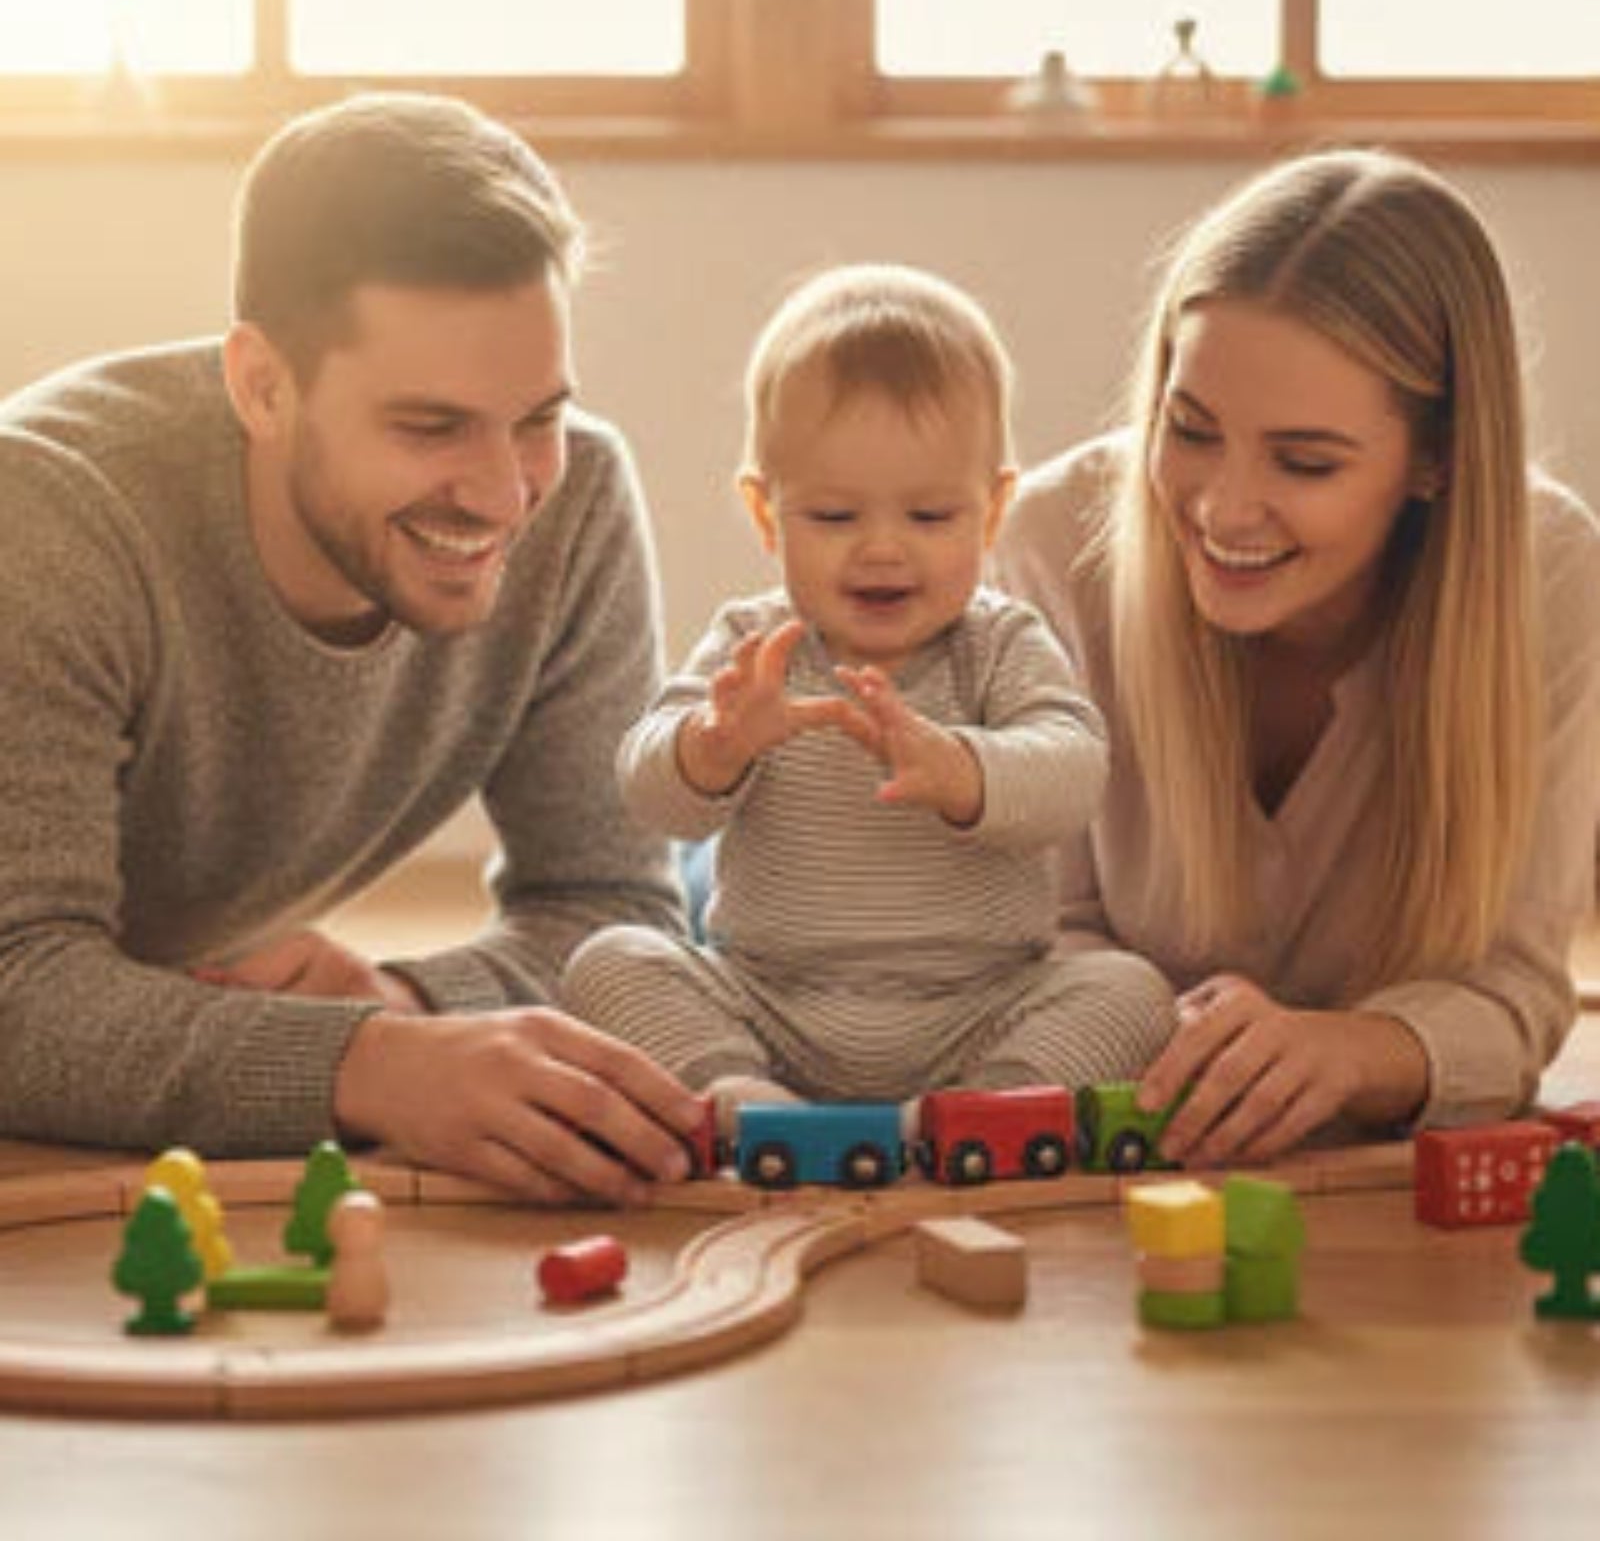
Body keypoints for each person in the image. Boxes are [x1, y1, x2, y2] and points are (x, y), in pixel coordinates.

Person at [0, 93, 709, 1202]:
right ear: (263, 386)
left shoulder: (577, 503)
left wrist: (409, 1007)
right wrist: (365, 1068)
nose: (502, 491)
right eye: (429, 427)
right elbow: (15, 989)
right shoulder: (48, 514)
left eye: (535, 416)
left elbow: (617, 906)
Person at [994, 149, 1600, 1166]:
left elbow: (1514, 987)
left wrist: (1356, 1050)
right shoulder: (1052, 546)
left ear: (1436, 457)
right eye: (1188, 430)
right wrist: (1168, 1031)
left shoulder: (1548, 577)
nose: (1222, 508)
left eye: (1305, 462)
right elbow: (1013, 938)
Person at [561, 264, 1177, 1118]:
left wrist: (962, 766)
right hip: (770, 1004)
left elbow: (1074, 774)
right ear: (766, 514)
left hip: (982, 1006)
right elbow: (652, 794)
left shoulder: (999, 646)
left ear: (993, 513)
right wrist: (714, 745)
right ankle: (738, 1094)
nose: (883, 550)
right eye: (835, 518)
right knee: (612, 961)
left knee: (1132, 991)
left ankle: (990, 1107)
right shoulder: (753, 647)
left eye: (930, 517)